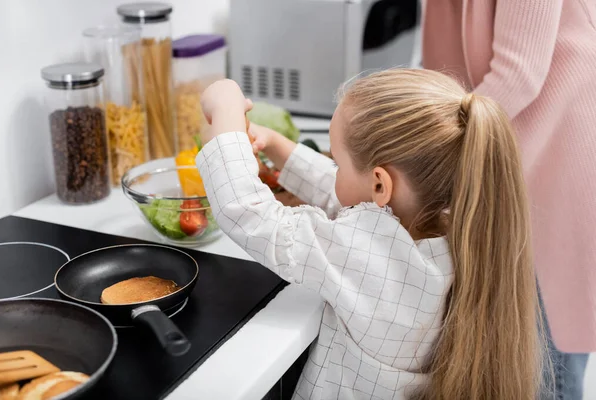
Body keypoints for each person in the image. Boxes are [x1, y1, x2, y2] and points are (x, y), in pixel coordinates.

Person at [196, 70, 542, 399]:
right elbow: (358, 200)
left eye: (338, 163)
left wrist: (225, 109)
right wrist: (276, 145)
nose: (334, 170)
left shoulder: (366, 253)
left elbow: (250, 213)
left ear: (380, 183)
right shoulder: (456, 234)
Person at [422, 1, 596, 398]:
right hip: (499, 153)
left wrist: (426, 154)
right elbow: (442, 74)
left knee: (547, 361)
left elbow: (518, 74)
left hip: (560, 150)